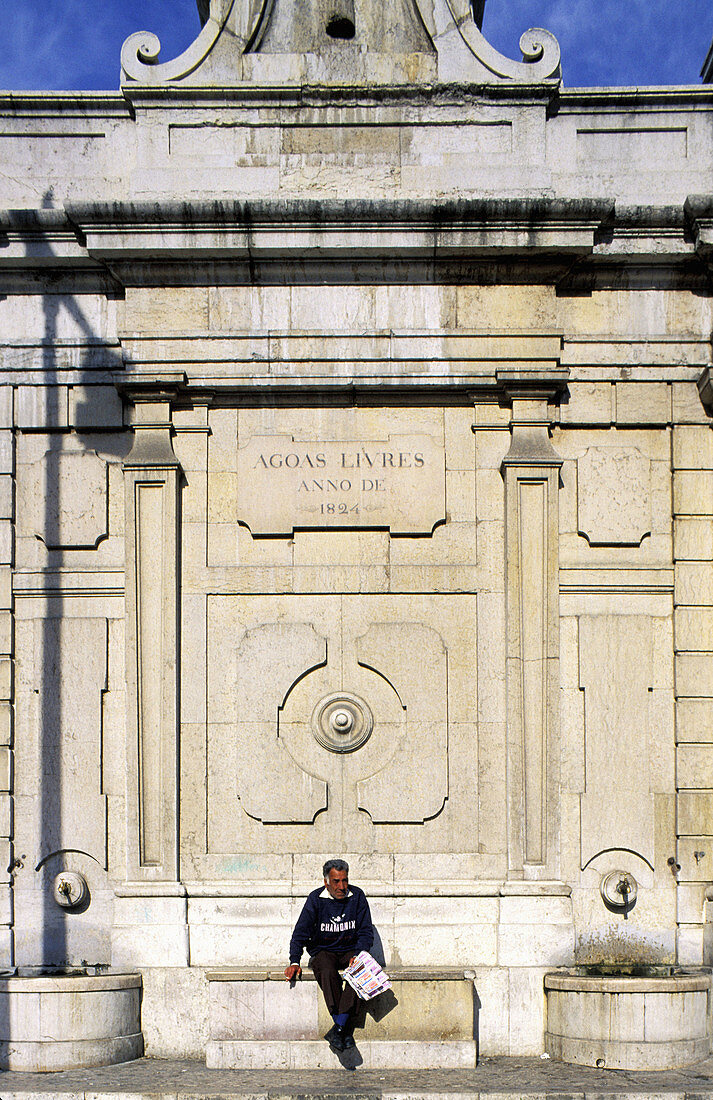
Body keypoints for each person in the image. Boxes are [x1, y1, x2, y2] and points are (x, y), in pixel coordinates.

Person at [284, 858, 374, 1052]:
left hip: (350, 949)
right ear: (326, 882)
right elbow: (300, 932)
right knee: (326, 969)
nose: (341, 886)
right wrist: (294, 960)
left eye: (344, 880)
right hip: (324, 950)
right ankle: (344, 1029)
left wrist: (359, 954)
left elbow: (366, 932)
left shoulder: (357, 896)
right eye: (336, 881)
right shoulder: (316, 899)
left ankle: (338, 1028)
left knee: (359, 972)